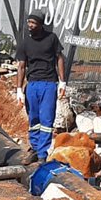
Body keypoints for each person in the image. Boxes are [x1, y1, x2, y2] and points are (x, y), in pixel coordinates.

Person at [16, 11, 66, 165]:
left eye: (33, 23)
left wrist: (62, 81)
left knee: (46, 120)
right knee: (34, 119)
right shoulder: (25, 43)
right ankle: (35, 149)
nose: (30, 25)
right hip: (32, 85)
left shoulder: (51, 39)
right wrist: (18, 88)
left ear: (41, 24)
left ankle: (42, 154)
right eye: (29, 22)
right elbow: (22, 66)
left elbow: (59, 59)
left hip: (49, 84)